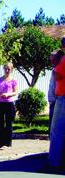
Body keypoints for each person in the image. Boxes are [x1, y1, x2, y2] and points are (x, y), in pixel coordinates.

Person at [49, 37, 65, 170]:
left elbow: (57, 75)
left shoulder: (64, 60)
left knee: (57, 130)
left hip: (63, 97)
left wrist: (55, 67)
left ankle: (54, 162)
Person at [0, 62, 18, 150]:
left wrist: (8, 94)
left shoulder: (13, 80)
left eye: (9, 69)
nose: (7, 70)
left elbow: (15, 92)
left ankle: (7, 143)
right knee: (0, 123)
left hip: (9, 103)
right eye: (5, 68)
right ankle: (0, 143)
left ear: (11, 70)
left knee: (8, 124)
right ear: (3, 69)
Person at [48, 50, 64, 134]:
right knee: (52, 129)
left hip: (58, 101)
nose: (52, 62)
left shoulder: (59, 71)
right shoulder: (54, 70)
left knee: (56, 130)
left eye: (54, 60)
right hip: (53, 102)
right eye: (51, 61)